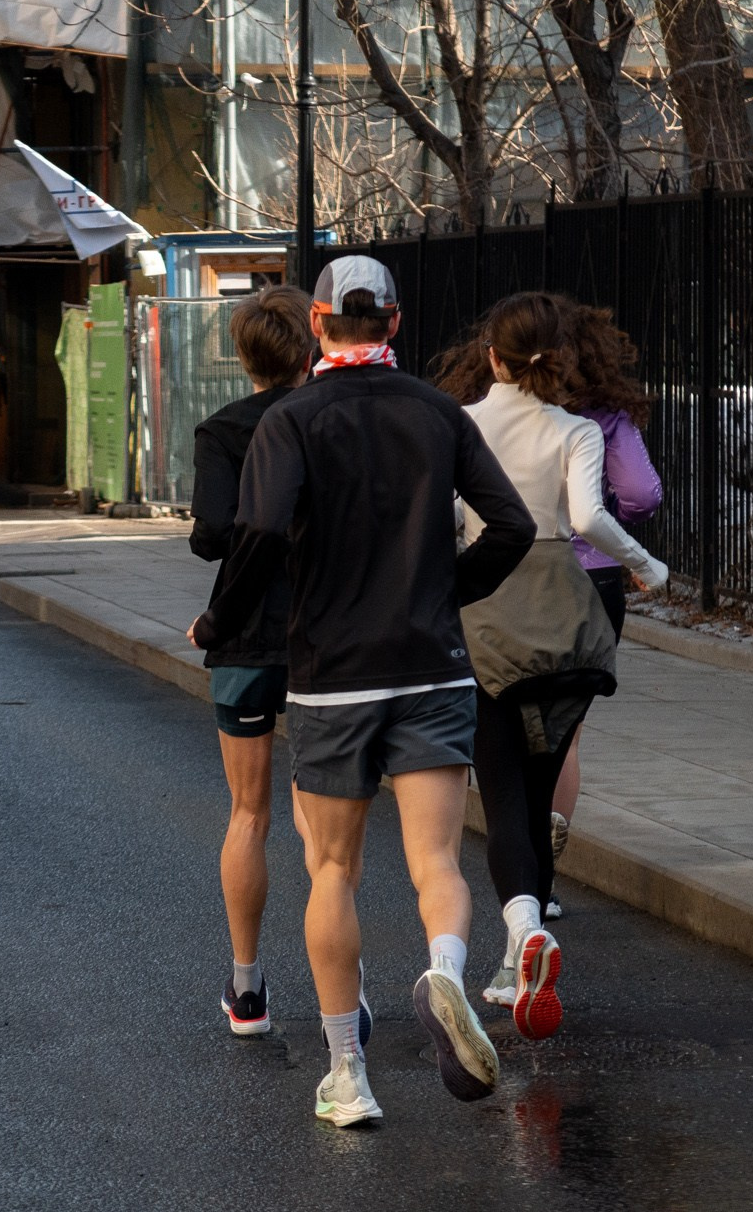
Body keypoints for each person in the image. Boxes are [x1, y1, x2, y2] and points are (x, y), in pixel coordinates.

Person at [190, 255, 534, 1127]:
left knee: (333, 868)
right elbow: (514, 524)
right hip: (430, 665)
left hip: (333, 676)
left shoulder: (294, 419)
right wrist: (444, 590)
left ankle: (348, 1073)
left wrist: (221, 619)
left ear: (317, 323)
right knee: (437, 863)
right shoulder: (438, 413)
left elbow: (259, 531)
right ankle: (447, 971)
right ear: (395, 321)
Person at [436, 292, 668, 1037]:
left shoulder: (462, 423)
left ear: (493, 357)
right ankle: (517, 954)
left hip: (487, 610)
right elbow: (587, 519)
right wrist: (644, 564)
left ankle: (523, 934)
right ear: (557, 357)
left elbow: (445, 515)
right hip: (562, 612)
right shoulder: (575, 428)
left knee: (498, 788)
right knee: (538, 790)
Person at [188, 284, 317, 1036]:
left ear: (245, 358)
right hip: (320, 638)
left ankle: (247, 989)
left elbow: (211, 536)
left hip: (239, 633)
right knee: (319, 829)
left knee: (248, 812)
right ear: (310, 350)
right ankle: (347, 983)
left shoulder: (221, 430)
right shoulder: (324, 419)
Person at [547, 303, 664, 918]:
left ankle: (519, 867)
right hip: (592, 582)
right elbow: (643, 493)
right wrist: (615, 528)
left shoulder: (504, 409)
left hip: (517, 578)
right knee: (568, 731)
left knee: (516, 723)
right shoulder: (606, 419)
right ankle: (548, 866)